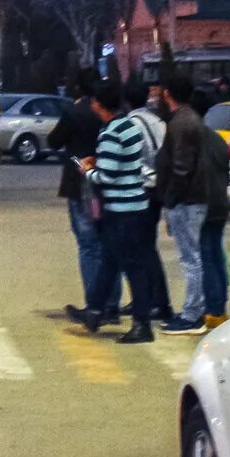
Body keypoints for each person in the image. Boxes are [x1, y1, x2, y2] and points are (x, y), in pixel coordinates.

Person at [80, 91, 155, 343]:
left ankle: (142, 324)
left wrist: (88, 171)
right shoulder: (130, 126)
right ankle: (95, 311)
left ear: (99, 104)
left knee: (131, 265)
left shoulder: (110, 132)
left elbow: (107, 176)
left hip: (121, 210)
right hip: (136, 205)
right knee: (111, 260)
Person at [50, 75, 120, 322]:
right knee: (107, 244)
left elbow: (53, 141)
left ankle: (95, 304)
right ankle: (112, 303)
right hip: (109, 182)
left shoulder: (75, 112)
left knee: (89, 245)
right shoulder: (116, 115)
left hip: (81, 182)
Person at [156, 73, 210, 335]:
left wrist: (170, 200)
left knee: (190, 258)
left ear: (168, 94)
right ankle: (194, 310)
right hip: (193, 198)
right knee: (193, 257)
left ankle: (192, 314)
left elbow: (181, 167)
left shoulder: (181, 123)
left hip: (187, 200)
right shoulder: (190, 120)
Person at [124, 82, 173, 324]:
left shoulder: (131, 125)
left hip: (142, 188)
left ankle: (158, 302)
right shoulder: (159, 122)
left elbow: (133, 160)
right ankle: (145, 298)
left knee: (142, 249)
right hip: (159, 189)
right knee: (146, 246)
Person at [199, 123, 230, 330]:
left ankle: (212, 308)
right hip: (221, 203)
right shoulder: (218, 138)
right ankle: (219, 306)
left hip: (204, 205)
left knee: (206, 258)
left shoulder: (194, 140)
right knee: (216, 255)